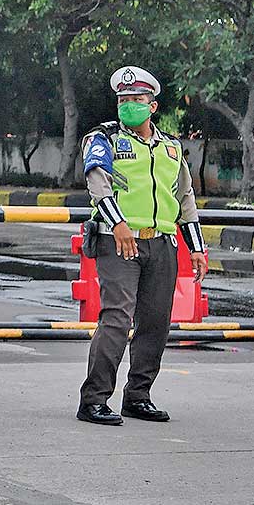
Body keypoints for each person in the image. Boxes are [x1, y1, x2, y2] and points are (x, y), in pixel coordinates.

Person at [77, 65, 207, 426]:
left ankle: (138, 396)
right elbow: (97, 182)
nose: (129, 105)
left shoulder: (170, 148)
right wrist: (118, 223)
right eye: (123, 99)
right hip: (117, 242)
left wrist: (195, 247)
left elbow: (185, 198)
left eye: (137, 99)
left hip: (161, 243)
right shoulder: (103, 139)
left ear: (152, 105)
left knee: (155, 323)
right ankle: (94, 400)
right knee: (117, 318)